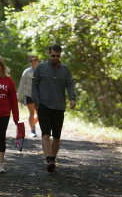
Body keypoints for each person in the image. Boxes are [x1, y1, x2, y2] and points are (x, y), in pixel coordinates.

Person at [32, 44, 76, 172]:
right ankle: (49, 159)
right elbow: (34, 85)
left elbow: (70, 84)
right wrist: (37, 102)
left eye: (57, 56)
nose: (55, 58)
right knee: (45, 133)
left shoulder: (65, 69)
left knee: (57, 136)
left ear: (60, 55)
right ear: (49, 54)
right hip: (44, 105)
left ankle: (52, 159)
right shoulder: (41, 68)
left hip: (59, 106)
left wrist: (72, 98)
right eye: (53, 55)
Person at [17, 55, 39, 137]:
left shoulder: (41, 71)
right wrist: (18, 95)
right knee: (32, 113)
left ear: (37, 61)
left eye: (35, 60)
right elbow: (21, 84)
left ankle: (32, 124)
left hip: (38, 96)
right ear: (29, 63)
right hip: (28, 94)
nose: (33, 62)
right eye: (31, 61)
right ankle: (33, 130)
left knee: (40, 114)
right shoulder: (26, 72)